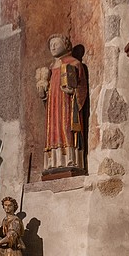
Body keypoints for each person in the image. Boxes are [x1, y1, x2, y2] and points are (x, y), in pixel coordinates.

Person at [35, 34, 89, 176]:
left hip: (67, 104)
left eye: (56, 44)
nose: (53, 47)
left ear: (66, 45)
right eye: (51, 45)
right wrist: (43, 93)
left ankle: (70, 160)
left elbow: (82, 87)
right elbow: (47, 92)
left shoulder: (74, 64)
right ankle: (53, 161)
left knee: (66, 129)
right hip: (53, 106)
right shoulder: (50, 69)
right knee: (53, 131)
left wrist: (73, 91)